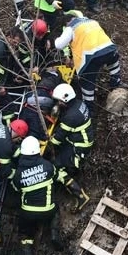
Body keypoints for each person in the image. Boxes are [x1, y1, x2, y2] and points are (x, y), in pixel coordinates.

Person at [11, 136, 65, 255]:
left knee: (25, 235)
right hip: (47, 210)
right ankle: (54, 234)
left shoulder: (18, 174)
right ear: (37, 151)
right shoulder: (47, 166)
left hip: (27, 213)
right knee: (56, 209)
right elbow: (56, 178)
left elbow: (16, 189)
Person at [54, 14, 126, 108]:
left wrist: (55, 39)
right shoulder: (92, 21)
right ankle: (115, 85)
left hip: (91, 56)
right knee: (113, 64)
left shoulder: (71, 27)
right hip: (109, 48)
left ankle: (89, 107)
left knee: (87, 82)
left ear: (66, 23)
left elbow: (59, 45)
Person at [49, 83, 91, 212]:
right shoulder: (77, 103)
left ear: (66, 99)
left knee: (55, 167)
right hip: (81, 138)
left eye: (59, 101)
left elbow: (56, 140)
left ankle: (80, 195)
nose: (57, 103)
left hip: (79, 146)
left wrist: (49, 140)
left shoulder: (71, 117)